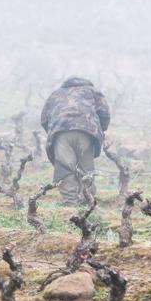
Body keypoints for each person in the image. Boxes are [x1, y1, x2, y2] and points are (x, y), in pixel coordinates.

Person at [41, 77, 110, 205]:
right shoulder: (93, 92)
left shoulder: (56, 94)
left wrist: (53, 132)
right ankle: (87, 200)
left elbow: (44, 118)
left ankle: (69, 202)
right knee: (86, 168)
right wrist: (101, 130)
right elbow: (104, 113)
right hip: (87, 132)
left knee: (65, 166)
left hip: (61, 132)